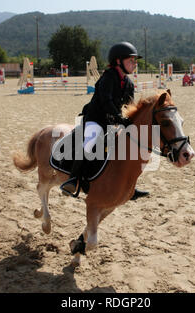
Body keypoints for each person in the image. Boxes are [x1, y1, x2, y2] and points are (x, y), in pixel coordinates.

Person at [60, 42, 150, 201]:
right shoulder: (108, 77)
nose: (134, 64)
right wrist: (118, 117)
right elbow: (106, 101)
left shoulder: (128, 83)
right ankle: (73, 180)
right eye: (131, 61)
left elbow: (129, 105)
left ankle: (130, 186)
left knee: (130, 149)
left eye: (135, 61)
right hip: (96, 119)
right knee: (90, 141)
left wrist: (128, 120)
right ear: (118, 61)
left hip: (113, 121)